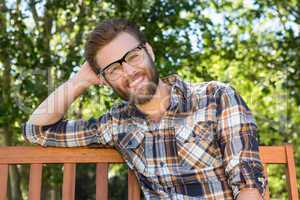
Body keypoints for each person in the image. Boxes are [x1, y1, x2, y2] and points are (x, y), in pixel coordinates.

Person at [23, 19, 267, 199]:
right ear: (105, 80)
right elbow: (37, 130)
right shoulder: (115, 124)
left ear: (149, 51)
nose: (128, 72)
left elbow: (248, 187)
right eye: (113, 69)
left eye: (132, 56)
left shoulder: (215, 97)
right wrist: (78, 82)